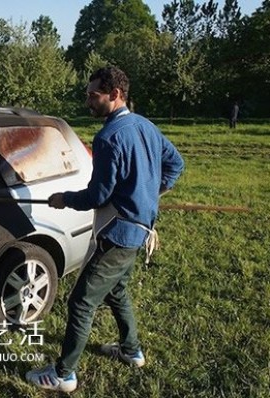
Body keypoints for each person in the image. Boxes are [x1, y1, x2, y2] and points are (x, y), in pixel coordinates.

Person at [25, 66, 185, 393]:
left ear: (114, 94)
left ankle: (64, 374)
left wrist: (63, 198)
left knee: (81, 302)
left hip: (117, 234)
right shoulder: (146, 126)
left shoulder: (109, 137)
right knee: (117, 290)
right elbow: (176, 164)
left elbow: (97, 196)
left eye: (92, 95)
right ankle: (131, 351)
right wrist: (150, 193)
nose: (87, 101)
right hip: (139, 229)